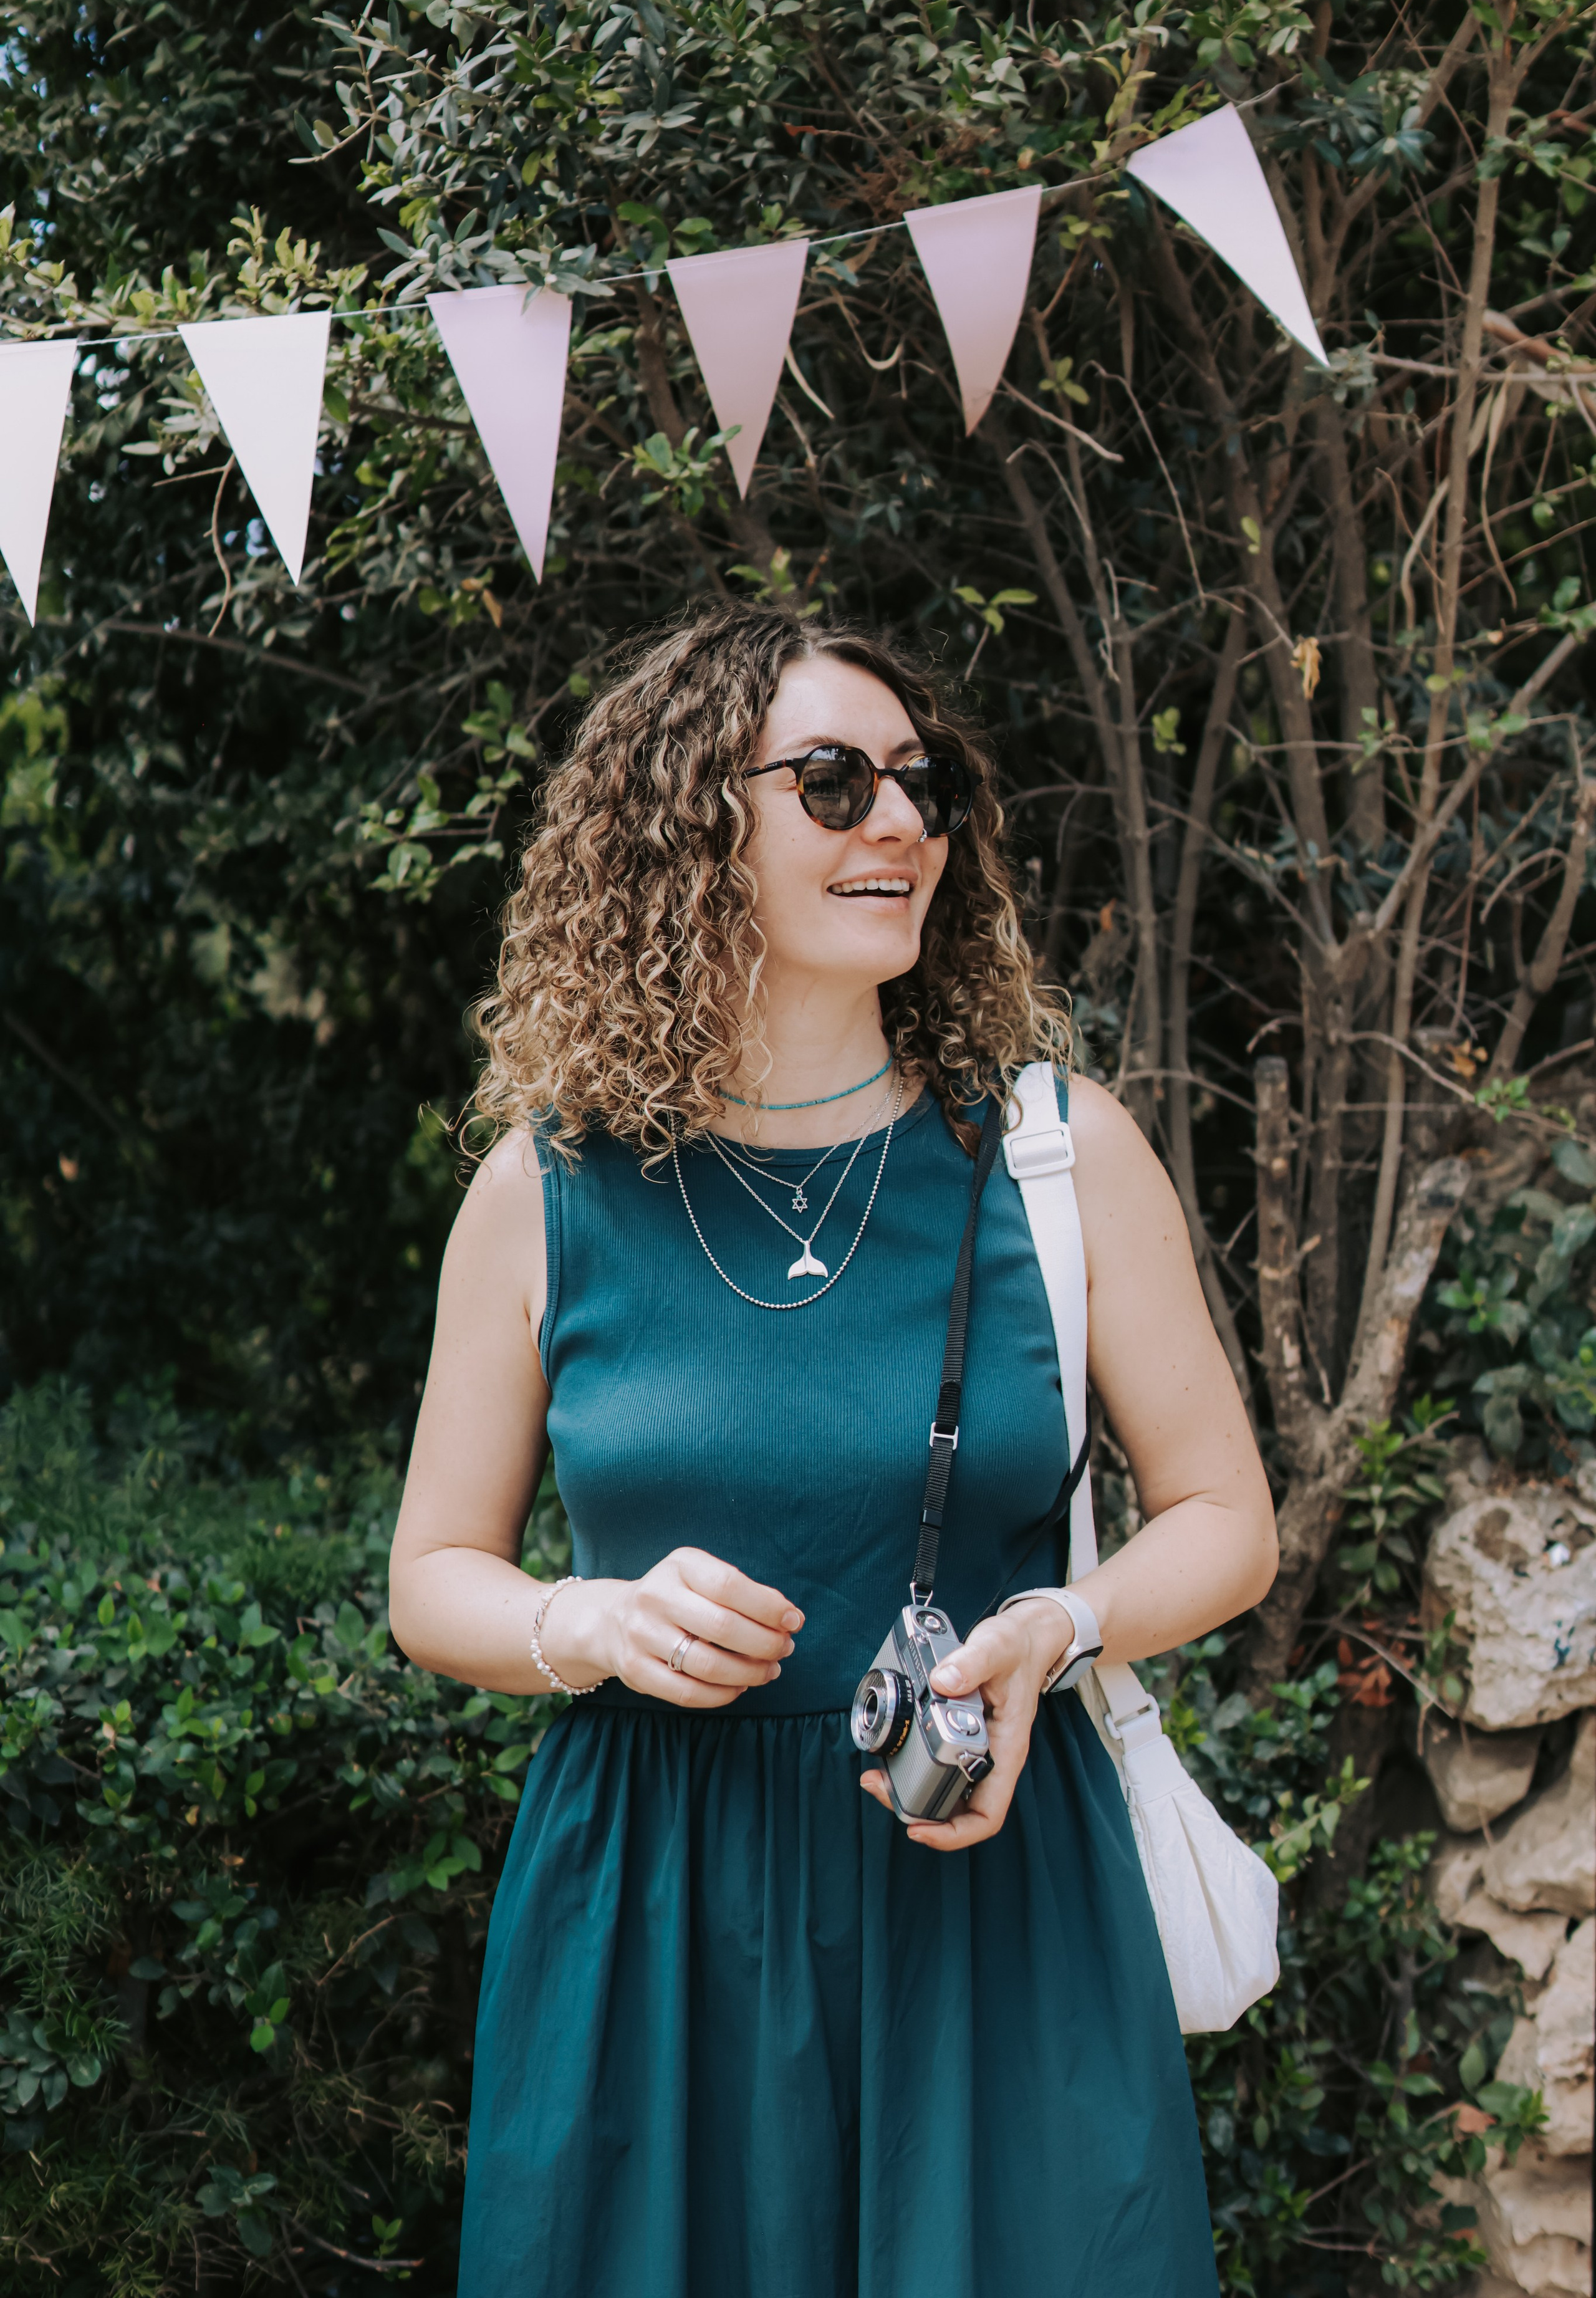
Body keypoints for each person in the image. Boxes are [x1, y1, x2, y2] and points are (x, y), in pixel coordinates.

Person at [388, 602, 1278, 2298]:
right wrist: (584, 1623)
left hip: (991, 1886)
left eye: (922, 786)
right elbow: (433, 1575)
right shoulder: (544, 1192)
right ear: (684, 823)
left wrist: (1060, 1630)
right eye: (833, 780)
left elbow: (1228, 1519)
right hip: (655, 1914)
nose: (901, 823)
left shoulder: (1057, 1158)